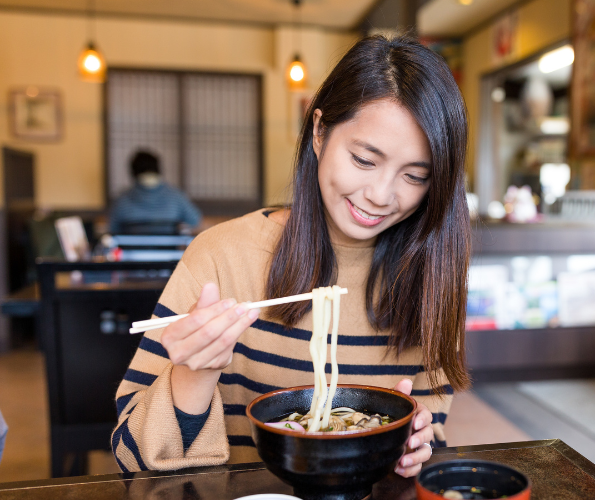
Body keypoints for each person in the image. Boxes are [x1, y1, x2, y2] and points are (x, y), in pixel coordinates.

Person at [112, 34, 470, 477]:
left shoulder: (431, 275)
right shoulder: (222, 257)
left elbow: (430, 432)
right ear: (319, 132)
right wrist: (194, 372)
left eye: (415, 176)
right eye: (363, 159)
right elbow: (130, 455)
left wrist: (413, 444)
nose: (381, 195)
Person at [107, 151, 202, 234]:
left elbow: (113, 229)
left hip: (132, 252)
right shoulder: (176, 196)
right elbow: (195, 220)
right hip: (168, 252)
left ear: (133, 172)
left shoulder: (122, 200)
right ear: (158, 169)